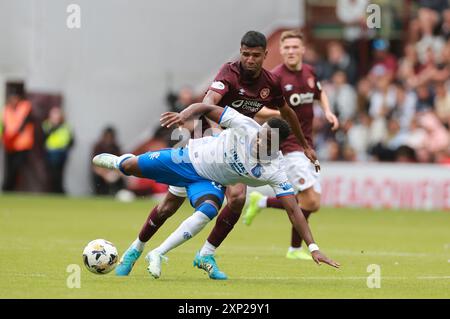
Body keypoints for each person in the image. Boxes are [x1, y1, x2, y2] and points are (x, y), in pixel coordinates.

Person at [114, 31, 319, 279]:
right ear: (240, 52)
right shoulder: (230, 72)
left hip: (240, 146)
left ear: (265, 55)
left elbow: (287, 113)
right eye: (245, 54)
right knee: (169, 205)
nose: (250, 60)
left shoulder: (270, 83)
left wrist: (305, 144)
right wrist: (213, 131)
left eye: (255, 55)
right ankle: (136, 249)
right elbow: (210, 101)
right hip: (208, 138)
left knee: (236, 197)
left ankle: (206, 253)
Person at [93, 102, 340, 279]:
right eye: (259, 135)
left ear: (275, 146)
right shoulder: (246, 126)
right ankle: (135, 246)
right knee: (135, 172)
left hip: (208, 180)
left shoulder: (274, 169)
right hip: (187, 159)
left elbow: (294, 210)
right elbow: (207, 109)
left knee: (209, 209)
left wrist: (314, 248)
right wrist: (186, 113)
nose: (257, 140)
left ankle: (158, 253)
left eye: (264, 141)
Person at [243, 30, 339, 261]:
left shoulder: (309, 72)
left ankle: (265, 205)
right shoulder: (274, 78)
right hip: (287, 146)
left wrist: (327, 111)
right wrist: (283, 113)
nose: (291, 51)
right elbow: (257, 109)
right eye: (286, 48)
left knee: (311, 203)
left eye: (295, 47)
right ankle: (295, 248)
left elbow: (320, 91)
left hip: (307, 144)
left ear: (303, 50)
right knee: (311, 201)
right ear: (281, 51)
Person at [1, 84, 34, 191]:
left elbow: (24, 124)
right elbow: (4, 125)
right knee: (9, 167)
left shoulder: (25, 107)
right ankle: (7, 187)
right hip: (9, 143)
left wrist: (13, 135)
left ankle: (10, 187)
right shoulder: (6, 109)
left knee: (16, 167)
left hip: (22, 144)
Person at [42, 106, 74, 194]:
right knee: (52, 173)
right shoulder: (47, 125)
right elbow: (43, 138)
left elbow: (72, 140)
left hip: (62, 152)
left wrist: (66, 147)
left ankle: (59, 191)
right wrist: (53, 126)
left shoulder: (66, 126)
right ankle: (53, 190)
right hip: (51, 152)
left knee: (59, 173)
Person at [91, 126, 124, 195]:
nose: (108, 139)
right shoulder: (98, 147)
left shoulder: (116, 147)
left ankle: (118, 194)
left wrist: (116, 174)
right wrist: (105, 175)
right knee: (97, 179)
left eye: (110, 137)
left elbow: (121, 162)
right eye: (107, 136)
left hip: (113, 171)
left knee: (121, 179)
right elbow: (95, 165)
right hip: (101, 172)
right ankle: (100, 194)